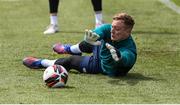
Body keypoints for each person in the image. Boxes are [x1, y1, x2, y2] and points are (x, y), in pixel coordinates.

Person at [23, 12, 137, 77]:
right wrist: (89, 38)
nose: (112, 30)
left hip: (100, 67)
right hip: (100, 48)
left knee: (70, 61)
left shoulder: (130, 48)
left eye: (117, 29)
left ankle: (41, 63)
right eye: (112, 26)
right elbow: (96, 33)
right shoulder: (108, 29)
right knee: (91, 42)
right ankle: (69, 48)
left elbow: (127, 58)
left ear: (128, 32)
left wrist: (120, 57)